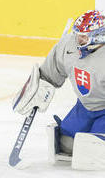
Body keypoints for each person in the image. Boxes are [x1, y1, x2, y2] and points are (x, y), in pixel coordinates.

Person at [12, 10, 105, 166]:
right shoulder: (68, 46)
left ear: (99, 35)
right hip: (84, 107)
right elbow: (49, 73)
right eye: (77, 34)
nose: (78, 39)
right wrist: (38, 90)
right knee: (66, 144)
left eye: (84, 36)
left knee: (93, 150)